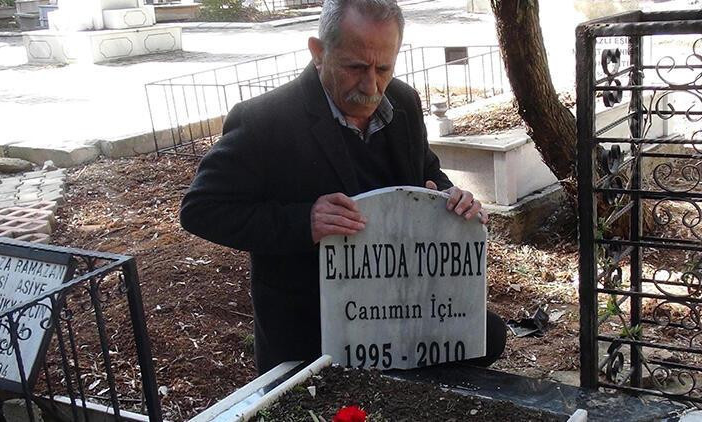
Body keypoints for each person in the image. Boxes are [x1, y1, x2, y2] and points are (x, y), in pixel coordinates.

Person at [180, 0, 506, 374]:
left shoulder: (403, 101)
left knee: (488, 335)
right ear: (318, 53)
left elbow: (427, 171)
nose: (371, 86)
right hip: (312, 326)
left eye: (383, 68)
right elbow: (201, 209)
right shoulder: (264, 120)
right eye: (355, 67)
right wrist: (305, 222)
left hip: (406, 304)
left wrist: (450, 198)